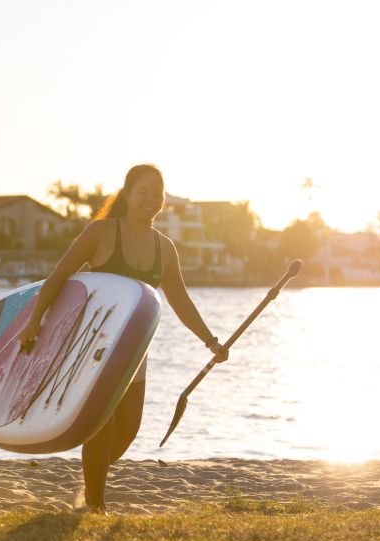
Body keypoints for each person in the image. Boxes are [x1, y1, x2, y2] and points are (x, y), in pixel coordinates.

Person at [17, 164, 228, 513]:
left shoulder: (165, 248)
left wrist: (210, 341)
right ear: (127, 194)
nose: (150, 199)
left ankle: (91, 477)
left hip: (133, 349)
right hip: (92, 344)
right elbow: (59, 277)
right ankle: (95, 503)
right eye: (142, 192)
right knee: (102, 424)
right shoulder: (101, 233)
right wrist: (34, 321)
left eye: (156, 193)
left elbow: (180, 300)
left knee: (128, 428)